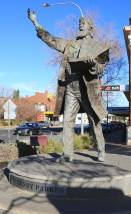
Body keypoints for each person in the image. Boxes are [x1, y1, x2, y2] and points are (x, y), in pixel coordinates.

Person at [27, 9, 109, 162]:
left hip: (87, 89)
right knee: (67, 122)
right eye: (79, 24)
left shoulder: (97, 46)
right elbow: (51, 40)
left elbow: (100, 69)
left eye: (83, 24)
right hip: (71, 87)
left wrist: (93, 66)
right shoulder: (69, 45)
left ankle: (101, 150)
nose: (80, 26)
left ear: (90, 28)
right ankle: (67, 154)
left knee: (94, 121)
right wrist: (35, 22)